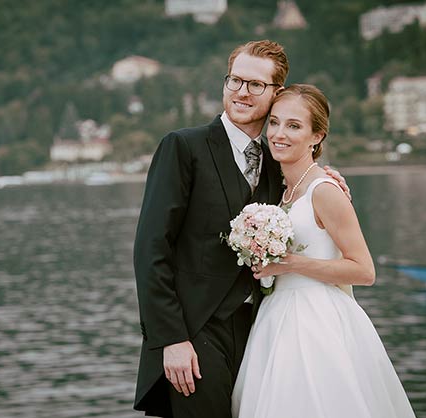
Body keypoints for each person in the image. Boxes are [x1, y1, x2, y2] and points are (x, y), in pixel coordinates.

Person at [133, 40, 350, 418]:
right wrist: (172, 339)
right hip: (195, 332)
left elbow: (303, 191)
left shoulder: (275, 160)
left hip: (260, 332)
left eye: (254, 85)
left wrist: (327, 178)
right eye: (234, 80)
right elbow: (151, 250)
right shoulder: (183, 147)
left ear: (276, 93)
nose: (241, 92)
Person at [232, 84, 415, 418]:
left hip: (317, 323)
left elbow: (364, 270)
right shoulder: (282, 190)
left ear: (317, 136)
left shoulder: (325, 190)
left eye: (294, 125)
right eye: (274, 122)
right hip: (274, 321)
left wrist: (290, 264)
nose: (278, 133)